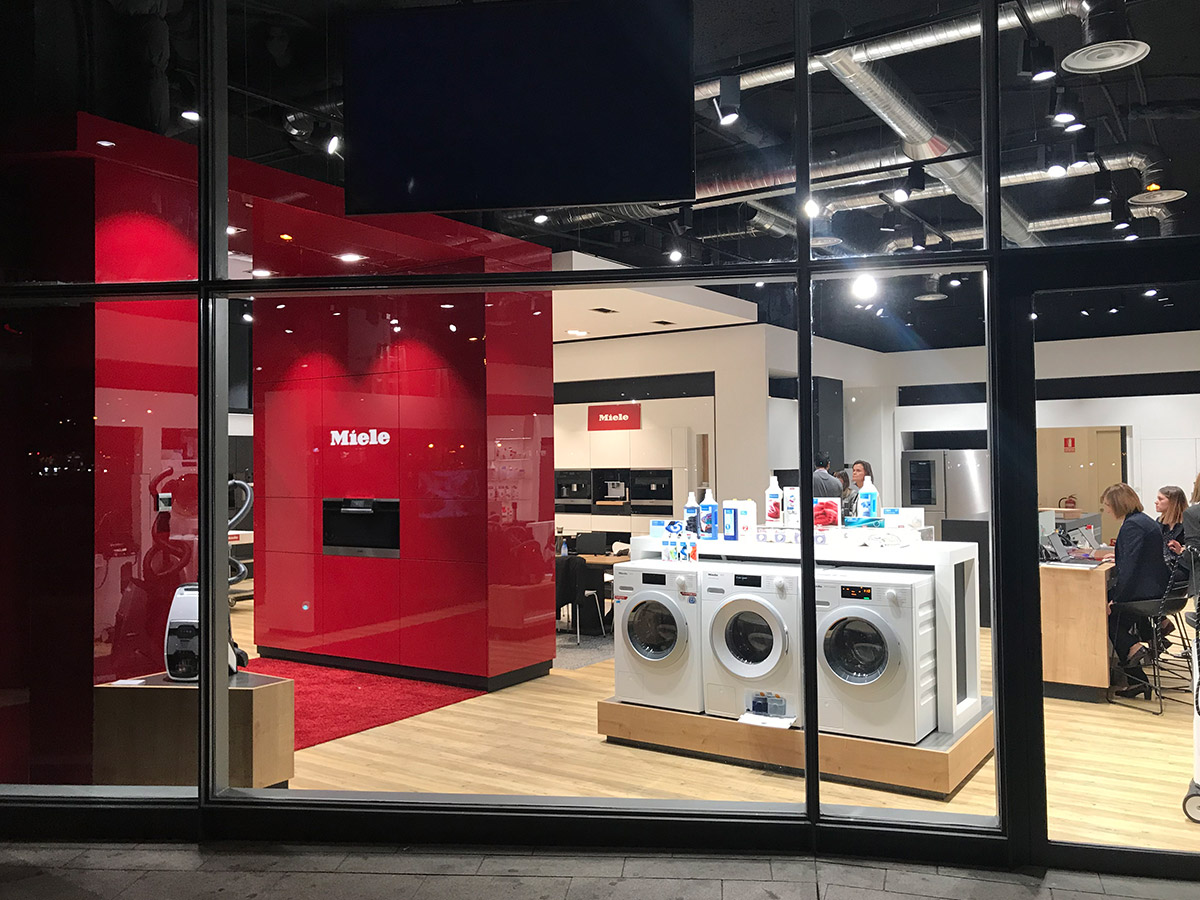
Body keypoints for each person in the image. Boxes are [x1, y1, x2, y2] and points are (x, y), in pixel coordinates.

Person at [1101, 483, 1172, 698]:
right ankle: (1144, 654)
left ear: (1117, 504)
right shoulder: (1142, 521)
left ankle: (1135, 651)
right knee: (1114, 616)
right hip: (1154, 588)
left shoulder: (1132, 526)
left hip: (1144, 592)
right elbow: (1136, 559)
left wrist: (1115, 599)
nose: (1106, 510)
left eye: (1107, 505)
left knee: (1107, 617)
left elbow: (1129, 569)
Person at [1155, 485, 1187, 565]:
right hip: (1161, 567)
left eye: (1160, 499)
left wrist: (1182, 550)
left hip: (1182, 567)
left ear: (1173, 502)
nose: (1156, 502)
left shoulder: (1188, 523)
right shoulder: (1159, 521)